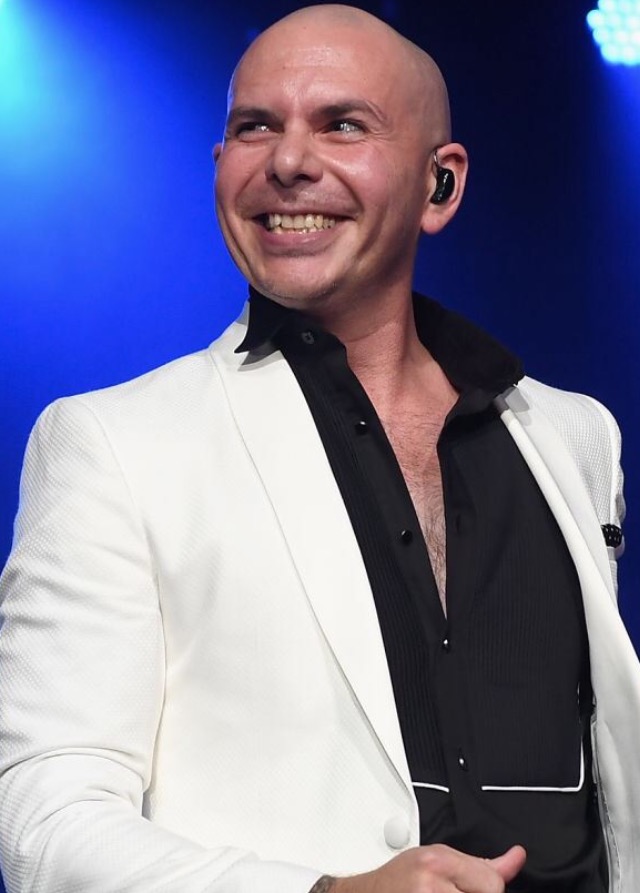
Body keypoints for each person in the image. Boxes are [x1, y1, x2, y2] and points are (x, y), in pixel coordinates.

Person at [0, 4, 639, 892]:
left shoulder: (574, 435)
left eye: (343, 125)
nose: (288, 161)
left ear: (440, 185)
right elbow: (47, 823)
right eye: (255, 126)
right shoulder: (113, 442)